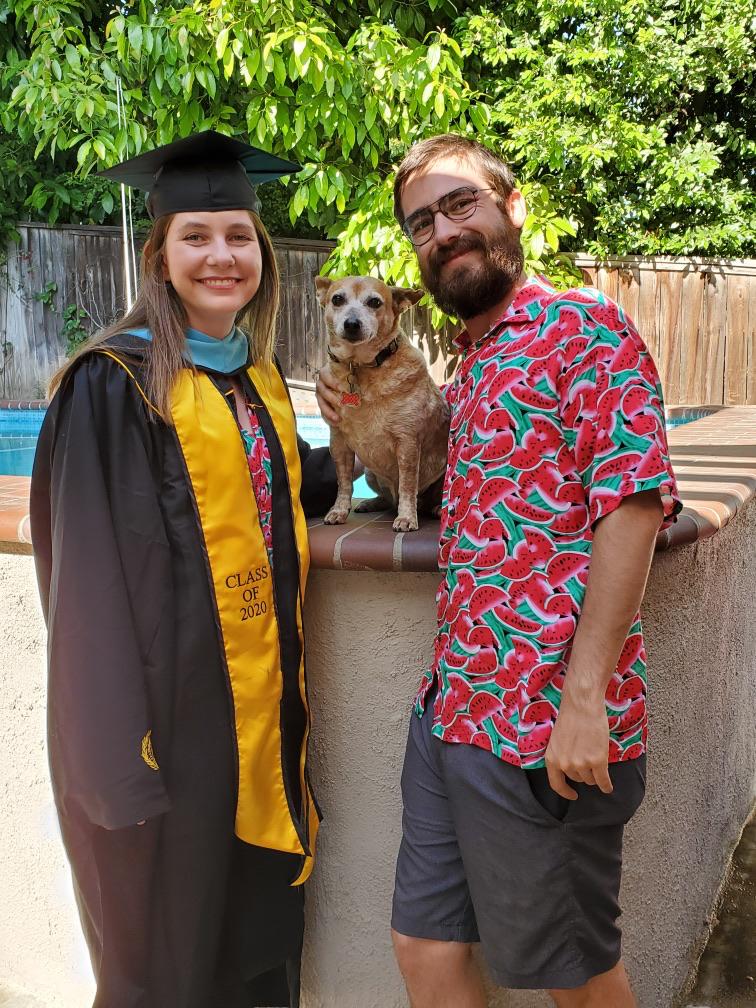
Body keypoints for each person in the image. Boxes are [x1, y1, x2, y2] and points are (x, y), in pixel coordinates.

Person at [316, 134, 681, 1008]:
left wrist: (584, 699)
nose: (441, 231)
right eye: (420, 223)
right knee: (423, 945)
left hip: (543, 721)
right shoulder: (471, 360)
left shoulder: (580, 329)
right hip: (452, 708)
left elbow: (633, 502)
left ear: (512, 208)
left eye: (460, 205)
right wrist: (350, 413)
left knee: (573, 971)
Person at [31, 130, 337, 1008]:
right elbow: (82, 589)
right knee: (168, 973)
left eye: (238, 234)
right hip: (162, 747)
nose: (221, 255)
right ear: (158, 254)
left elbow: (284, 490)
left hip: (258, 737)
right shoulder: (113, 387)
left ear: (262, 254)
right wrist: (115, 769)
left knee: (253, 962)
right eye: (196, 235)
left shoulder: (257, 381)